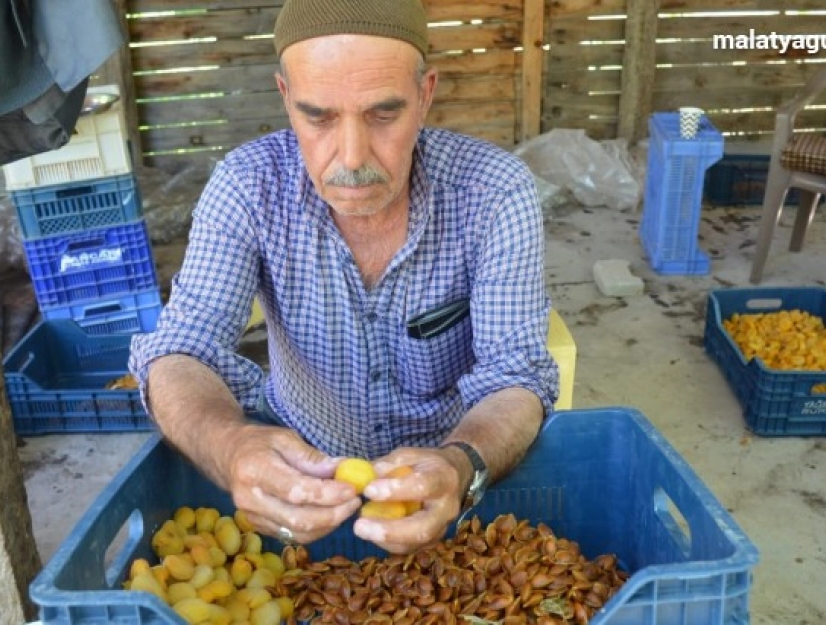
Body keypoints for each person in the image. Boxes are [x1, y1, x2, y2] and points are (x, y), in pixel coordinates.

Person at [129, 0, 558, 555]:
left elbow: (517, 374)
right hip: (303, 466)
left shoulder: (495, 193)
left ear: (425, 94)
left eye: (383, 114)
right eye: (319, 116)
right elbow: (180, 350)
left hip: (453, 469)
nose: (352, 157)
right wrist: (230, 446)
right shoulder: (247, 187)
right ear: (285, 98)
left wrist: (460, 465)